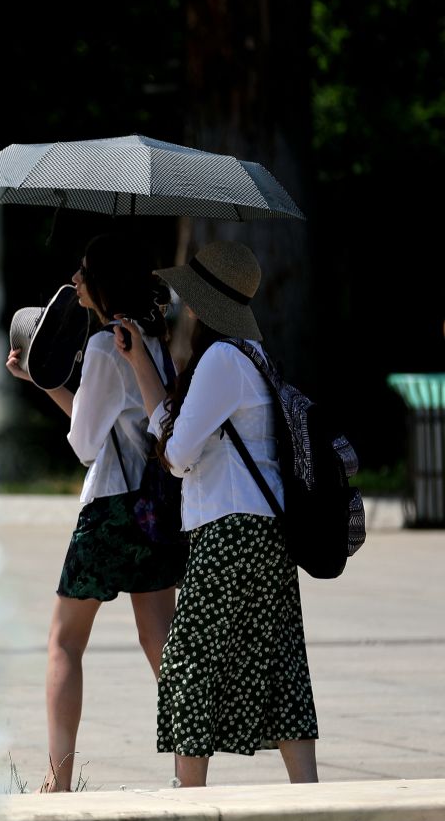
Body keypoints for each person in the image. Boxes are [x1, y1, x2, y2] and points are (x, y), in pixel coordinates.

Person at [114, 240, 318, 788]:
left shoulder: (222, 359)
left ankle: (190, 796)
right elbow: (179, 431)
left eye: (190, 298)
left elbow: (177, 454)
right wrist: (139, 360)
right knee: (279, 665)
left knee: (189, 663)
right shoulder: (251, 353)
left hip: (228, 531)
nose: (183, 306)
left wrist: (176, 444)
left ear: (204, 304)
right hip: (265, 530)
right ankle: (309, 795)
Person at [6, 233, 188, 791]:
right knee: (159, 639)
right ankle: (190, 768)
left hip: (110, 508)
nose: (76, 282)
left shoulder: (109, 347)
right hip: (157, 510)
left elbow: (87, 443)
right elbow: (113, 423)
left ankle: (59, 780)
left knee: (65, 642)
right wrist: (49, 383)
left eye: (84, 273)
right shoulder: (152, 340)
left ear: (104, 283)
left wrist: (48, 384)